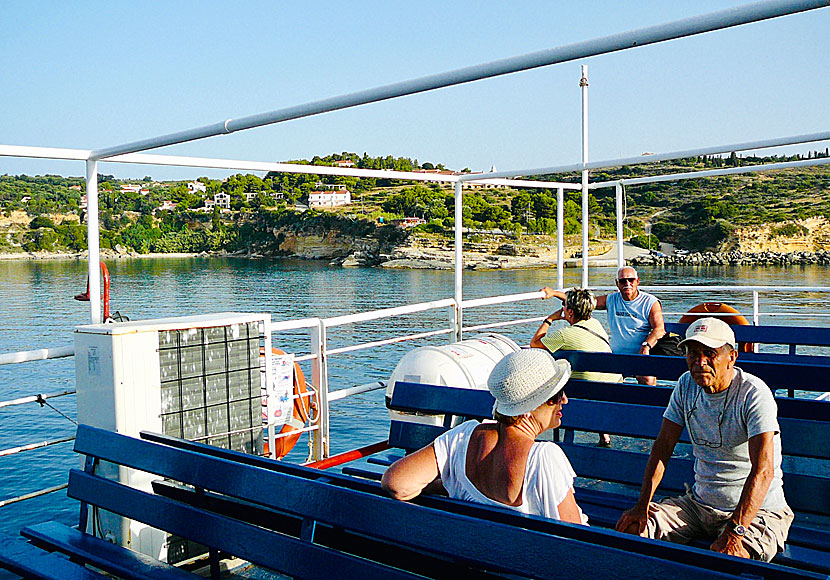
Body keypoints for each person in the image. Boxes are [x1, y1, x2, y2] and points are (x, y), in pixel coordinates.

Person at [615, 318, 793, 561]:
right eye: (693, 353)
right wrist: (642, 506)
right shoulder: (685, 386)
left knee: (729, 557)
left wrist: (735, 531)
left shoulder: (753, 393)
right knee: (632, 531)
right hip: (699, 507)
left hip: (758, 513)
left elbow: (763, 471)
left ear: (732, 357)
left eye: (710, 353)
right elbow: (663, 448)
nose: (700, 362)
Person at [381, 349, 587, 524]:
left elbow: (397, 483)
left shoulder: (462, 438)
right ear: (527, 408)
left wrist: (449, 484)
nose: (565, 400)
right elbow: (575, 543)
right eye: (555, 396)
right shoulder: (544, 458)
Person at [542, 266, 666, 385]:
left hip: (641, 355)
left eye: (631, 280)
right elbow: (581, 302)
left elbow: (659, 329)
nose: (627, 284)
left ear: (637, 281)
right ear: (617, 283)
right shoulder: (612, 299)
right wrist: (554, 293)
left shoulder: (650, 302)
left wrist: (646, 346)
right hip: (615, 356)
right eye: (623, 281)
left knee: (648, 381)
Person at [530, 287, 622, 446]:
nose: (562, 308)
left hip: (587, 393)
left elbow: (534, 344)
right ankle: (604, 434)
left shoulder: (564, 335)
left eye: (565, 306)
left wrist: (549, 319)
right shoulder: (596, 324)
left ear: (570, 312)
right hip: (614, 387)